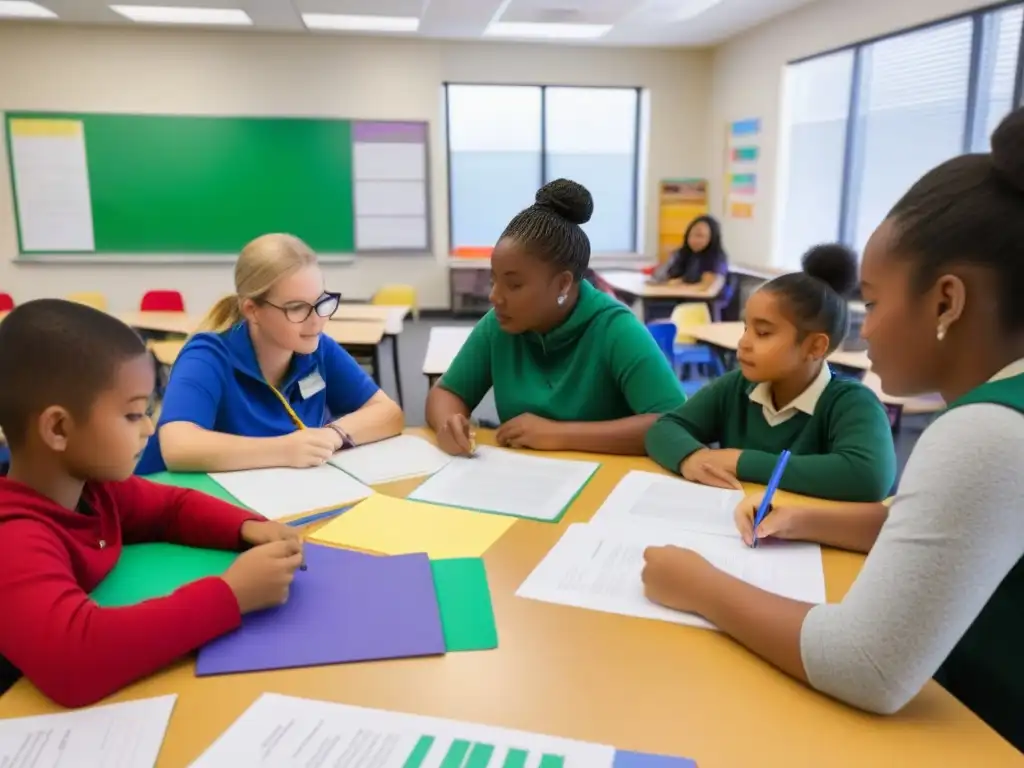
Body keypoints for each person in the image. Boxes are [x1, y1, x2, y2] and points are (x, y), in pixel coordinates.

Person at [640, 107, 1024, 751]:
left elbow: (867, 666)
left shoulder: (988, 431)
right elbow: (926, 523)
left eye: (872, 303)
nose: (864, 328)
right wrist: (802, 519)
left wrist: (700, 586)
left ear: (947, 302)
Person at [0, 299, 306, 706]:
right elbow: (75, 656)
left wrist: (247, 526)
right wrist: (232, 594)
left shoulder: (93, 488)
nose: (149, 428)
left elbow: (170, 508)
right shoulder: (13, 536)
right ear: (58, 428)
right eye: (132, 415)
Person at [427, 179, 686, 457]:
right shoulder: (499, 324)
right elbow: (446, 392)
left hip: (606, 486)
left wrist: (558, 434)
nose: (495, 296)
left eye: (514, 285)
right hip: (524, 482)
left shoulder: (615, 328)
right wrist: (449, 423)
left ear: (563, 284)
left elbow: (674, 425)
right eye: (494, 281)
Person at [645, 244, 895, 502]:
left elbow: (868, 477)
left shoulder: (851, 402)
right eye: (746, 329)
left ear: (815, 346)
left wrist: (738, 461)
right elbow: (664, 428)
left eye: (763, 333)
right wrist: (690, 458)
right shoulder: (736, 387)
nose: (744, 343)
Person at [136, 234, 403, 475]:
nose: (317, 321)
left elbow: (389, 413)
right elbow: (178, 447)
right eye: (297, 308)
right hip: (186, 510)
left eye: (321, 302)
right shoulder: (207, 356)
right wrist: (285, 450)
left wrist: (333, 435)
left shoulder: (317, 347)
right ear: (252, 310)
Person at [655, 215, 728, 289]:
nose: (693, 239)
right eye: (690, 235)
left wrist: (678, 285)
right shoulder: (684, 253)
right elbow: (663, 277)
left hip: (703, 299)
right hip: (678, 296)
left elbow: (706, 287)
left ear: (712, 237)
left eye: (700, 236)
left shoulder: (717, 258)